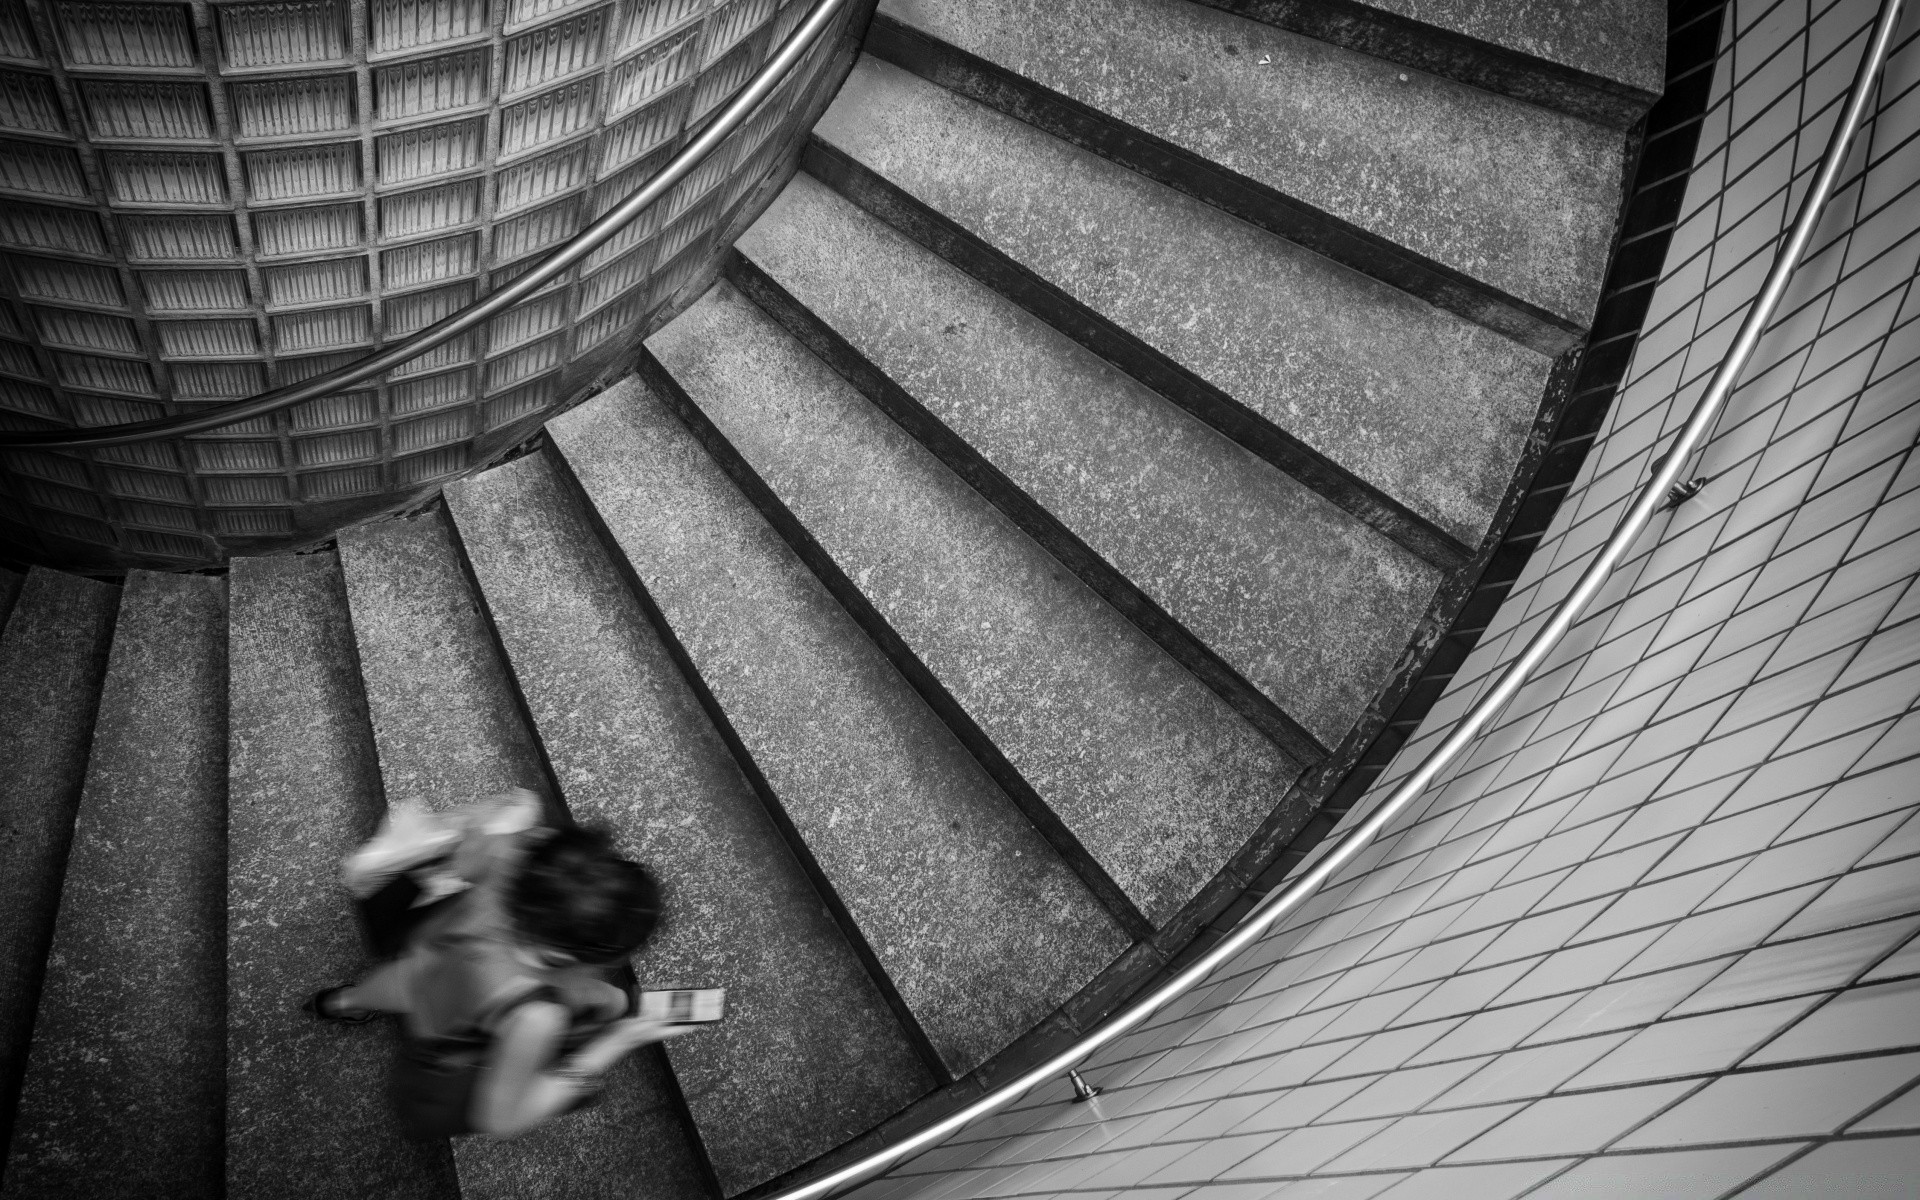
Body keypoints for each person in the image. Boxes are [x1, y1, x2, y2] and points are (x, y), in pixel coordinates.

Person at [306, 789, 699, 1139]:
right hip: (457, 1031)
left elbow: (465, 849)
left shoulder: (511, 858)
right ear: (565, 956)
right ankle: (348, 1003)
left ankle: (341, 1003)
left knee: (384, 988)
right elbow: (502, 1119)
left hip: (423, 968)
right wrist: (615, 1043)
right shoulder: (534, 1015)